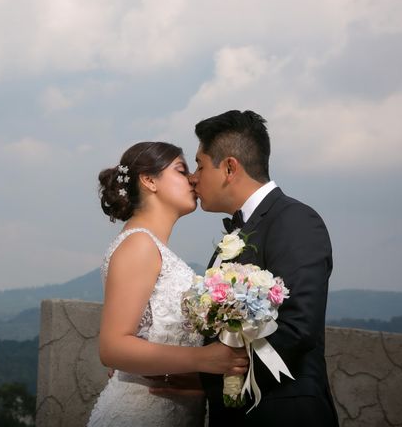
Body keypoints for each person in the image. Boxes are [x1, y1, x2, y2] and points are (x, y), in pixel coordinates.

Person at [154, 110, 338, 426]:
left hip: (284, 413)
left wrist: (211, 374)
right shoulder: (236, 235)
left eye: (199, 164)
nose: (194, 177)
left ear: (229, 168)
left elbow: (298, 328)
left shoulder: (295, 220)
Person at [87, 141, 249, 427]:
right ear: (149, 180)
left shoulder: (153, 247)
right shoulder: (139, 244)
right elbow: (112, 348)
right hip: (140, 413)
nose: (192, 179)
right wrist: (204, 359)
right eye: (181, 170)